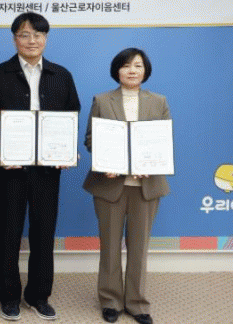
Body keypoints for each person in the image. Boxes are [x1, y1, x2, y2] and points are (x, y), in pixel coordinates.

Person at [0, 12, 80, 321]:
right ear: (14, 39)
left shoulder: (61, 75)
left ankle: (39, 296)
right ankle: (9, 296)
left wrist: (65, 151)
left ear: (45, 38)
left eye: (38, 34)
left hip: (47, 171)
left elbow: (71, 115)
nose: (32, 40)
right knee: (8, 233)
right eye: (24, 34)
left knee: (44, 234)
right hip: (9, 170)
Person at [83, 48, 170, 324]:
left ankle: (137, 303)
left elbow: (163, 141)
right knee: (109, 246)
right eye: (126, 66)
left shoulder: (159, 101)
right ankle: (110, 301)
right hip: (110, 185)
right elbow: (91, 139)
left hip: (146, 186)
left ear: (146, 70)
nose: (132, 70)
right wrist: (103, 162)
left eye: (138, 65)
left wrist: (151, 163)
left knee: (139, 247)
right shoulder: (101, 100)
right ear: (117, 70)